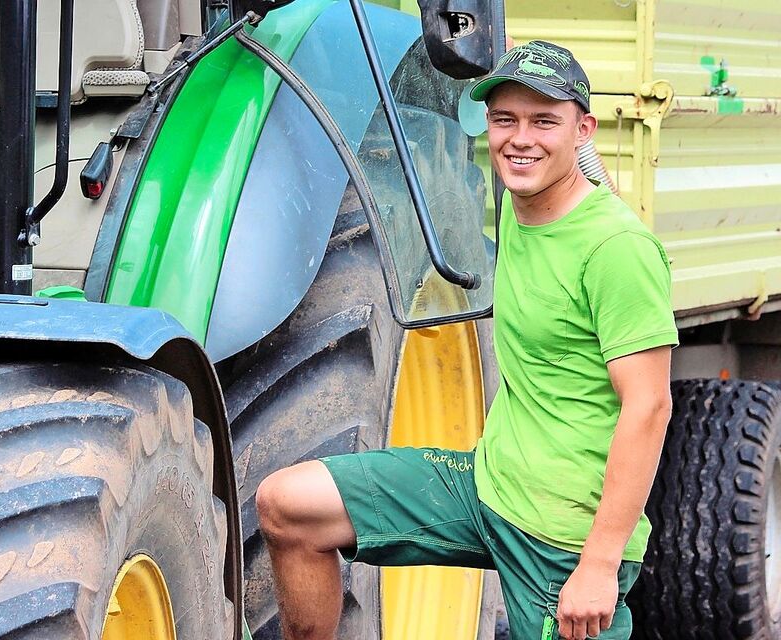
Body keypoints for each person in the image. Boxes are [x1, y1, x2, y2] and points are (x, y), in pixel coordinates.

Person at [255, 40, 679, 640]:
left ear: (583, 130)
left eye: (544, 122)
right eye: (505, 119)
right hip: (488, 488)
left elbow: (650, 406)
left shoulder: (617, 249)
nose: (520, 139)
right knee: (288, 506)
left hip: (560, 538)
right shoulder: (522, 203)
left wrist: (598, 566)